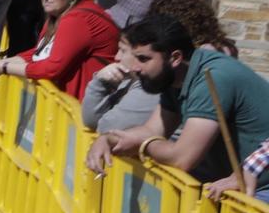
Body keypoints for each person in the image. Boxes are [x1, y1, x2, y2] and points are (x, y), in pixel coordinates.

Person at [87, 14, 269, 187]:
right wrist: (109, 139)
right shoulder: (174, 77)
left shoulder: (212, 78)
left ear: (175, 58)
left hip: (260, 189)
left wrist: (143, 145)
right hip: (234, 183)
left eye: (143, 59)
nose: (135, 68)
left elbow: (182, 158)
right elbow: (152, 129)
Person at [81, 0, 239, 134]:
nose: (116, 57)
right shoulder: (198, 68)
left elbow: (107, 127)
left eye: (123, 50)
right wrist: (101, 83)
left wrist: (99, 85)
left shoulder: (162, 76)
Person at [0, 0, 117, 98]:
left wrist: (3, 67)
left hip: (85, 106)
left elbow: (52, 68)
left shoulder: (78, 18)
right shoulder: (60, 12)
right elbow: (40, 53)